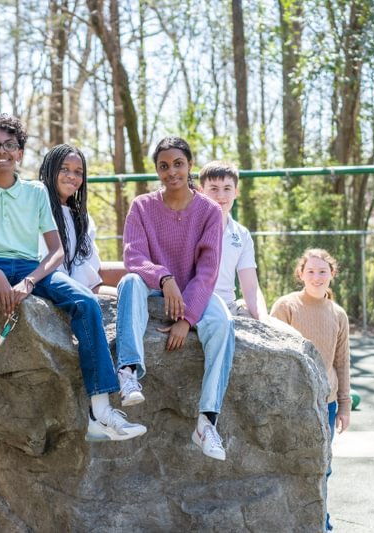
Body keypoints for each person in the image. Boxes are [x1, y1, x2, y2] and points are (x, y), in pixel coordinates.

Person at [0, 113, 146, 442]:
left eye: (9, 145)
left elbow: (55, 252)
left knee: (86, 302)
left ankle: (101, 409)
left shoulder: (35, 193)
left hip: (32, 268)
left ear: (19, 152)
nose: (1, 151)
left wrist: (30, 281)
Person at [115, 136, 235, 461]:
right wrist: (164, 277)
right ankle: (127, 372)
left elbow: (208, 271)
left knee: (223, 324)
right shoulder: (142, 206)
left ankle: (206, 423)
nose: (171, 172)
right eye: (164, 166)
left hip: (195, 290)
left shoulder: (209, 211)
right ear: (156, 170)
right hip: (154, 288)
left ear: (190, 165)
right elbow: (134, 257)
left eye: (178, 164)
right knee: (128, 282)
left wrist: (186, 319)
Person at [269, 248, 351, 532]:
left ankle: (320, 523)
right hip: (292, 402)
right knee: (289, 461)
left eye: (323, 271)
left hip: (324, 403)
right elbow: (273, 354)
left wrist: (344, 406)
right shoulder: (286, 306)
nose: (317, 277)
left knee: (321, 466)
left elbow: (342, 363)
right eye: (311, 271)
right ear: (301, 274)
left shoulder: (338, 314)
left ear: (332, 275)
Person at [37, 143, 125, 295]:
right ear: (50, 170)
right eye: (64, 169)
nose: (72, 176)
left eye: (78, 172)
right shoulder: (36, 198)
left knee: (129, 289)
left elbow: (86, 266)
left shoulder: (83, 219)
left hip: (79, 286)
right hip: (46, 282)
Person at [198, 161, 267, 319]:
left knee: (288, 333)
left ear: (236, 192)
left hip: (230, 308)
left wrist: (264, 320)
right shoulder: (190, 228)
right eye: (214, 188)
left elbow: (251, 289)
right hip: (197, 308)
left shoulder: (242, 234)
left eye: (227, 188)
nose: (221, 195)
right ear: (201, 191)